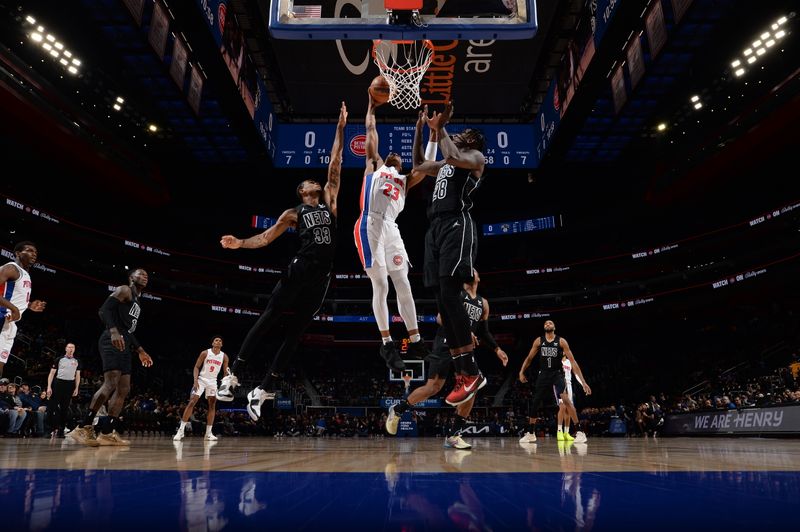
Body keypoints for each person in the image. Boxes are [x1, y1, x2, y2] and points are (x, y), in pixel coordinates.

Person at [218, 102, 346, 422]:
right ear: (302, 191)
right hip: (300, 267)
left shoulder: (330, 203)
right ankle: (233, 375)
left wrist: (341, 129)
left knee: (295, 334)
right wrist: (240, 244)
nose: (314, 182)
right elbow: (265, 239)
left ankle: (260, 391)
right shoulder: (292, 213)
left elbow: (335, 163)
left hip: (322, 278)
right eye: (307, 183)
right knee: (270, 317)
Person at [410, 102, 488, 407]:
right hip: (436, 229)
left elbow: (454, 155)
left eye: (460, 133)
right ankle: (465, 372)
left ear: (470, 140)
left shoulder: (475, 158)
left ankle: (470, 371)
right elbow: (417, 164)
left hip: (458, 224)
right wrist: (420, 129)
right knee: (441, 298)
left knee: (451, 292)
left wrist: (440, 127)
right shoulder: (444, 165)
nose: (455, 135)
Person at [386, 271, 508, 450]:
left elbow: (484, 332)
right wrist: (466, 331)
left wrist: (497, 349)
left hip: (465, 347)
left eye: (473, 269)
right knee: (433, 387)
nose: (470, 269)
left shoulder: (484, 304)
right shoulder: (457, 294)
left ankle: (454, 435)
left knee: (471, 388)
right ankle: (397, 410)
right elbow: (440, 318)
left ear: (479, 277)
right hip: (446, 341)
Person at [356, 97, 434, 370]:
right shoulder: (373, 167)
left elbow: (426, 164)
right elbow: (371, 134)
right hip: (369, 224)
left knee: (403, 283)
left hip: (391, 228)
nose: (394, 155)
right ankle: (387, 344)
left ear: (400, 165)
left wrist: (423, 130)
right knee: (382, 285)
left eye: (399, 156)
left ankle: (415, 338)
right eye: (393, 155)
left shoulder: (405, 180)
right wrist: (370, 107)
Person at [68, 268, 154, 446]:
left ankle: (107, 432)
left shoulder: (137, 300)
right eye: (141, 274)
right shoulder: (125, 290)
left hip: (124, 342)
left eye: (147, 275)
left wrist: (140, 350)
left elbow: (128, 331)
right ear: (131, 277)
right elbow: (104, 310)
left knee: (124, 388)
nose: (145, 277)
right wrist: (113, 331)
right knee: (111, 383)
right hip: (111, 339)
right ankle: (83, 426)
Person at [518, 320, 591, 443]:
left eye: (550, 323)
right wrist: (521, 371)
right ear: (543, 327)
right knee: (535, 402)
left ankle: (580, 432)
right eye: (546, 323)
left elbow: (573, 362)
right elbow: (529, 358)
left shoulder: (561, 341)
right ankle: (531, 433)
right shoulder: (539, 341)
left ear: (554, 327)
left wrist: (583, 382)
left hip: (557, 374)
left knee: (566, 400)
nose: (548, 324)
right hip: (543, 374)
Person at [0, 241, 46, 377]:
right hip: (2, 317)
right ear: (18, 253)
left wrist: (29, 305)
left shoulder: (26, 274)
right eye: (30, 250)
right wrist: (14, 309)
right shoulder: (11, 268)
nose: (34, 254)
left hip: (11, 324)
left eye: (36, 252)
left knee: (1, 365)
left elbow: (12, 297)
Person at [174, 336, 229, 441]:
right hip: (201, 380)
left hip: (213, 382)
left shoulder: (224, 356)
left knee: (212, 405)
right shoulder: (205, 353)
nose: (218, 341)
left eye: (220, 340)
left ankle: (208, 433)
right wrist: (195, 380)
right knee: (192, 402)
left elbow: (225, 372)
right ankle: (180, 431)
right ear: (212, 343)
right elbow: (196, 367)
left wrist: (226, 381)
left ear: (221, 345)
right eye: (216, 340)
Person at [47, 342, 82, 438]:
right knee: (52, 407)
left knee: (65, 409)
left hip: (69, 385)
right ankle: (49, 429)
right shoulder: (59, 359)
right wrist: (49, 386)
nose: (71, 349)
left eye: (73, 347)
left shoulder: (77, 360)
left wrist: (76, 388)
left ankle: (61, 430)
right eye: (69, 347)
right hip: (58, 383)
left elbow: (78, 375)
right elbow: (51, 373)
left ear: (74, 349)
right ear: (66, 349)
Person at [558, 352, 589, 443]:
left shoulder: (569, 362)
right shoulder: (557, 361)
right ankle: (559, 431)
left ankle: (566, 433)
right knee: (562, 407)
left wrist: (583, 384)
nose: (563, 351)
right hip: (560, 385)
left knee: (568, 410)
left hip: (569, 385)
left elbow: (576, 374)